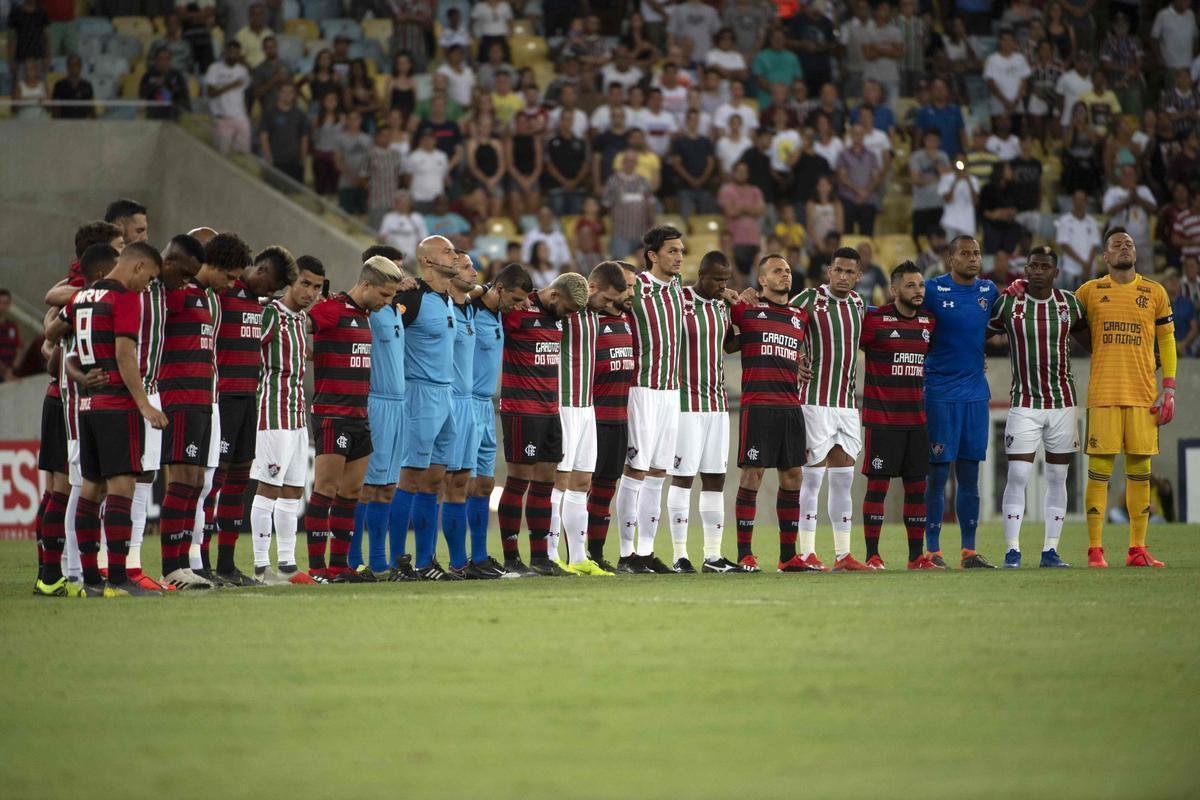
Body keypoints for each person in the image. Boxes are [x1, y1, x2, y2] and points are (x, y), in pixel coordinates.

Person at [44, 243, 166, 597]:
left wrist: (79, 376)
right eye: (149, 278)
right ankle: (117, 577)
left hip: (87, 406)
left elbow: (55, 338)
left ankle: (90, 581)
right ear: (138, 266)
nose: (147, 286)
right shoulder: (125, 299)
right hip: (117, 405)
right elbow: (124, 354)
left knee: (91, 489)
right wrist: (144, 405)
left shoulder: (80, 298)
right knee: (121, 487)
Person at [1075, 229, 1177, 568]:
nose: (1124, 248)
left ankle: (1137, 549)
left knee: (1140, 471)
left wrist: (1170, 389)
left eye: (1129, 243)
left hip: (1143, 394)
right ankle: (1095, 549)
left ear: (1137, 252)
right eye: (1116, 244)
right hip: (1104, 393)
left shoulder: (1155, 292)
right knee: (1100, 471)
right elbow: (1066, 323)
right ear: (1105, 256)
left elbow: (1167, 342)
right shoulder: (1090, 291)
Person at [303, 256, 403, 582]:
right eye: (385, 295)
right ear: (367, 285)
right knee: (326, 490)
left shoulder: (364, 315)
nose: (387, 303)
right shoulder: (330, 310)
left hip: (360, 416)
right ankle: (317, 569)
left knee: (352, 492)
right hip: (333, 414)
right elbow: (301, 324)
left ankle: (338, 567)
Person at [986, 247, 1084, 569]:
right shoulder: (1009, 302)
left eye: (1045, 266)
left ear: (1056, 272)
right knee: (1019, 474)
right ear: (1025, 269)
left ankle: (1050, 551)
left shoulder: (1070, 304)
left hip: (1062, 403)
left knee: (1058, 477)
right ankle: (1012, 550)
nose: (1038, 270)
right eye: (1033, 265)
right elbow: (982, 330)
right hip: (1024, 402)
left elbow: (1090, 339)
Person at [209, 246, 296, 586]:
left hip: (249, 399)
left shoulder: (256, 304)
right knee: (213, 481)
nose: (271, 294)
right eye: (271, 285)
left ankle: (227, 566)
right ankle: (197, 562)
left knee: (237, 480)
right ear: (259, 270)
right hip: (223, 397)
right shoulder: (224, 293)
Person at [495, 271, 587, 577]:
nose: (571, 316)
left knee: (545, 482)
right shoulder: (520, 309)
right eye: (570, 309)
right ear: (555, 295)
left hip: (550, 409)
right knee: (519, 480)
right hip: (521, 408)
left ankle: (540, 557)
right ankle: (510, 557)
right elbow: (490, 302)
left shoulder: (557, 317)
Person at [729, 254, 811, 572]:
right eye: (777, 271)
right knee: (752, 474)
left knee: (793, 476)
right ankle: (744, 554)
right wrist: (741, 293)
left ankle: (788, 556)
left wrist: (801, 359)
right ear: (762, 279)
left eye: (788, 270)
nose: (785, 275)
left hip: (790, 405)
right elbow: (726, 331)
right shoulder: (746, 309)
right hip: (758, 405)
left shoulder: (799, 316)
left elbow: (796, 351)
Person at [923, 234, 1000, 569]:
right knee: (938, 475)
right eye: (965, 253)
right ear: (949, 258)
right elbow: (898, 315)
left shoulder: (989, 292)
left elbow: (1003, 320)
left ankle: (969, 551)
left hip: (975, 394)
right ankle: (933, 551)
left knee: (970, 475)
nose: (973, 258)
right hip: (939, 393)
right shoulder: (930, 290)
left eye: (977, 253)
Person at [790, 247, 869, 571]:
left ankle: (843, 555)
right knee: (812, 480)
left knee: (843, 480)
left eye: (850, 272)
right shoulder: (808, 299)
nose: (843, 277)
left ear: (858, 276)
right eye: (838, 270)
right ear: (828, 271)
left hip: (847, 405)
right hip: (814, 402)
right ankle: (807, 552)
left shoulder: (858, 304)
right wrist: (794, 360)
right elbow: (780, 325)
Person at [248, 256, 325, 585]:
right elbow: (247, 350)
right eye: (305, 283)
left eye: (317, 287)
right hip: (272, 410)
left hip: (296, 413)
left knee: (294, 491)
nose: (310, 292)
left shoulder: (299, 319)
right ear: (291, 282)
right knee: (269, 487)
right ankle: (261, 567)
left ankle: (288, 565)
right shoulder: (270, 313)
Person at [614, 226, 686, 574]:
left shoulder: (677, 288)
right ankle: (627, 554)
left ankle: (645, 551)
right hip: (641, 389)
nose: (679, 257)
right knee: (637, 469)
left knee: (659, 471)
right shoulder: (635, 286)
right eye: (672, 251)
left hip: (672, 391)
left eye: (681, 251)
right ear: (653, 255)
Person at [858, 260, 938, 570]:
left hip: (916, 421)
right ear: (894, 290)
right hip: (882, 420)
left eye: (920, 285)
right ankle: (872, 555)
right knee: (877, 487)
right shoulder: (875, 321)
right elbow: (849, 347)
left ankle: (916, 557)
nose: (918, 290)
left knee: (917, 488)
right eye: (910, 285)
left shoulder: (929, 323)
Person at [550, 262, 629, 575]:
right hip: (564, 405)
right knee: (560, 482)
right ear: (591, 288)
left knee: (582, 482)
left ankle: (580, 558)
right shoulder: (566, 311)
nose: (610, 306)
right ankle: (550, 554)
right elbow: (542, 298)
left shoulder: (595, 315)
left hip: (587, 407)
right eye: (607, 299)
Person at [665, 252, 739, 573]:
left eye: (726, 280)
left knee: (715, 478)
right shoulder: (679, 300)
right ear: (702, 274)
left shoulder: (723, 307)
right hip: (685, 403)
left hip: (717, 404)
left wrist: (742, 308)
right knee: (682, 478)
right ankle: (679, 555)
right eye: (717, 279)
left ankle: (712, 556)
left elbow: (731, 345)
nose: (722, 285)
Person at [465, 263, 531, 575]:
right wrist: (479, 289)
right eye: (516, 299)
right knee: (455, 483)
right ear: (500, 289)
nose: (520, 306)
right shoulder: (469, 307)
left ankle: (479, 557)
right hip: (462, 401)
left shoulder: (500, 314)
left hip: (487, 405)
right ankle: (455, 560)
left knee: (486, 483)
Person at [1102, 165, 1157, 273]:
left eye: (1131, 174)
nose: (1128, 177)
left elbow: (1154, 208)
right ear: (1120, 176)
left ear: (1136, 176)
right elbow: (1108, 211)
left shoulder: (1143, 190)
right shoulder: (1113, 192)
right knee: (1121, 274)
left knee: (1146, 276)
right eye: (1125, 174)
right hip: (1119, 244)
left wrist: (1137, 198)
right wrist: (1127, 201)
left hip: (1142, 242)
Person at [602, 152, 656, 260]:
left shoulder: (643, 181)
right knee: (620, 266)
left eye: (633, 162)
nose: (630, 164)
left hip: (642, 233)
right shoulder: (613, 181)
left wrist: (652, 224)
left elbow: (650, 204)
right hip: (620, 233)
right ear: (622, 163)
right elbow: (606, 205)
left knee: (643, 266)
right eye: (627, 161)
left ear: (636, 164)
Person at [205, 40, 252, 154]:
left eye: (236, 53)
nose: (233, 55)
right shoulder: (214, 68)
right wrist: (231, 85)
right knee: (222, 154)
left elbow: (245, 93)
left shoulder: (242, 70)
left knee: (242, 154)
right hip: (222, 117)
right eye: (231, 52)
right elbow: (210, 92)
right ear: (225, 52)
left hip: (240, 117)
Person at [836, 124, 882, 236]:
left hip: (868, 198)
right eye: (855, 134)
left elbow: (875, 177)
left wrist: (866, 192)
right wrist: (858, 191)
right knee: (847, 235)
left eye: (860, 134)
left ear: (864, 135)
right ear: (851, 135)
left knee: (867, 234)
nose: (858, 136)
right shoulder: (843, 155)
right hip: (848, 199)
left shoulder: (872, 155)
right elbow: (842, 177)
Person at [258, 83, 309, 184]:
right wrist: (268, 158)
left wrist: (302, 160)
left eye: (291, 92)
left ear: (294, 95)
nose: (287, 94)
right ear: (278, 93)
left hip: (294, 162)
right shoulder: (269, 113)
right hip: (275, 161)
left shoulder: (300, 114)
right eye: (284, 91)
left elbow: (304, 138)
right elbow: (263, 137)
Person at [984, 28, 1031, 129]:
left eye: (1010, 40)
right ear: (1000, 42)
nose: (1007, 43)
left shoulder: (1020, 58)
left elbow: (1024, 81)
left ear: (1014, 42)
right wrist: (1004, 101)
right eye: (1004, 40)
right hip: (998, 107)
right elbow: (990, 83)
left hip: (1017, 106)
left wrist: (1016, 100)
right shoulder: (992, 59)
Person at [1054, 190, 1101, 288]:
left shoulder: (1092, 222)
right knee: (1070, 299)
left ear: (1085, 202)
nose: (1080, 202)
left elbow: (1095, 245)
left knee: (1089, 300)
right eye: (1077, 199)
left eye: (1082, 199)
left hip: (1089, 268)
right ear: (1073, 201)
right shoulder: (1065, 221)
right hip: (1071, 268)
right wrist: (1083, 263)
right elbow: (1064, 245)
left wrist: (1088, 265)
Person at [910, 129, 949, 244]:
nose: (932, 143)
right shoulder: (916, 156)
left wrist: (936, 168)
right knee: (920, 240)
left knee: (940, 241)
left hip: (940, 205)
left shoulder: (943, 156)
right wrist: (936, 177)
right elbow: (916, 180)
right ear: (924, 141)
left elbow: (947, 178)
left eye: (935, 140)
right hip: (921, 206)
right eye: (930, 140)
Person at [249, 35, 293, 117]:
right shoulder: (260, 69)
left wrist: (284, 80)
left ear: (277, 47)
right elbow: (256, 93)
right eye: (267, 48)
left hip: (288, 110)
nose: (271, 50)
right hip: (269, 110)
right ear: (263, 50)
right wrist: (274, 80)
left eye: (273, 47)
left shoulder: (286, 65)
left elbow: (293, 88)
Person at [937, 159, 980, 241]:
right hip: (950, 221)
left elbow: (975, 201)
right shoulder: (946, 178)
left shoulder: (973, 180)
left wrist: (969, 182)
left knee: (966, 250)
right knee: (950, 250)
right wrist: (955, 181)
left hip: (967, 222)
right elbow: (947, 200)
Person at [377, 191, 425, 263]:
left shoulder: (417, 218)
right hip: (392, 260)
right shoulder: (388, 217)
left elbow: (423, 240)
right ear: (395, 204)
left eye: (405, 202)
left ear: (409, 204)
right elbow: (381, 237)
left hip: (410, 259)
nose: (402, 205)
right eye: (399, 202)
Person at [1165, 269, 1199, 357]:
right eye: (1170, 279)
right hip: (1163, 347)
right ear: (1164, 283)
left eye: (1176, 279)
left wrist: (1183, 344)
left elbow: (1194, 328)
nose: (1174, 282)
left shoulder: (1187, 303)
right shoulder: (1159, 303)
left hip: (1184, 347)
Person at [51, 54, 94, 120]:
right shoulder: (59, 85)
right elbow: (56, 109)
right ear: (67, 66)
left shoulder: (87, 85)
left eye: (76, 64)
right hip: (64, 123)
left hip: (83, 124)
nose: (73, 67)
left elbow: (91, 109)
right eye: (70, 64)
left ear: (80, 66)